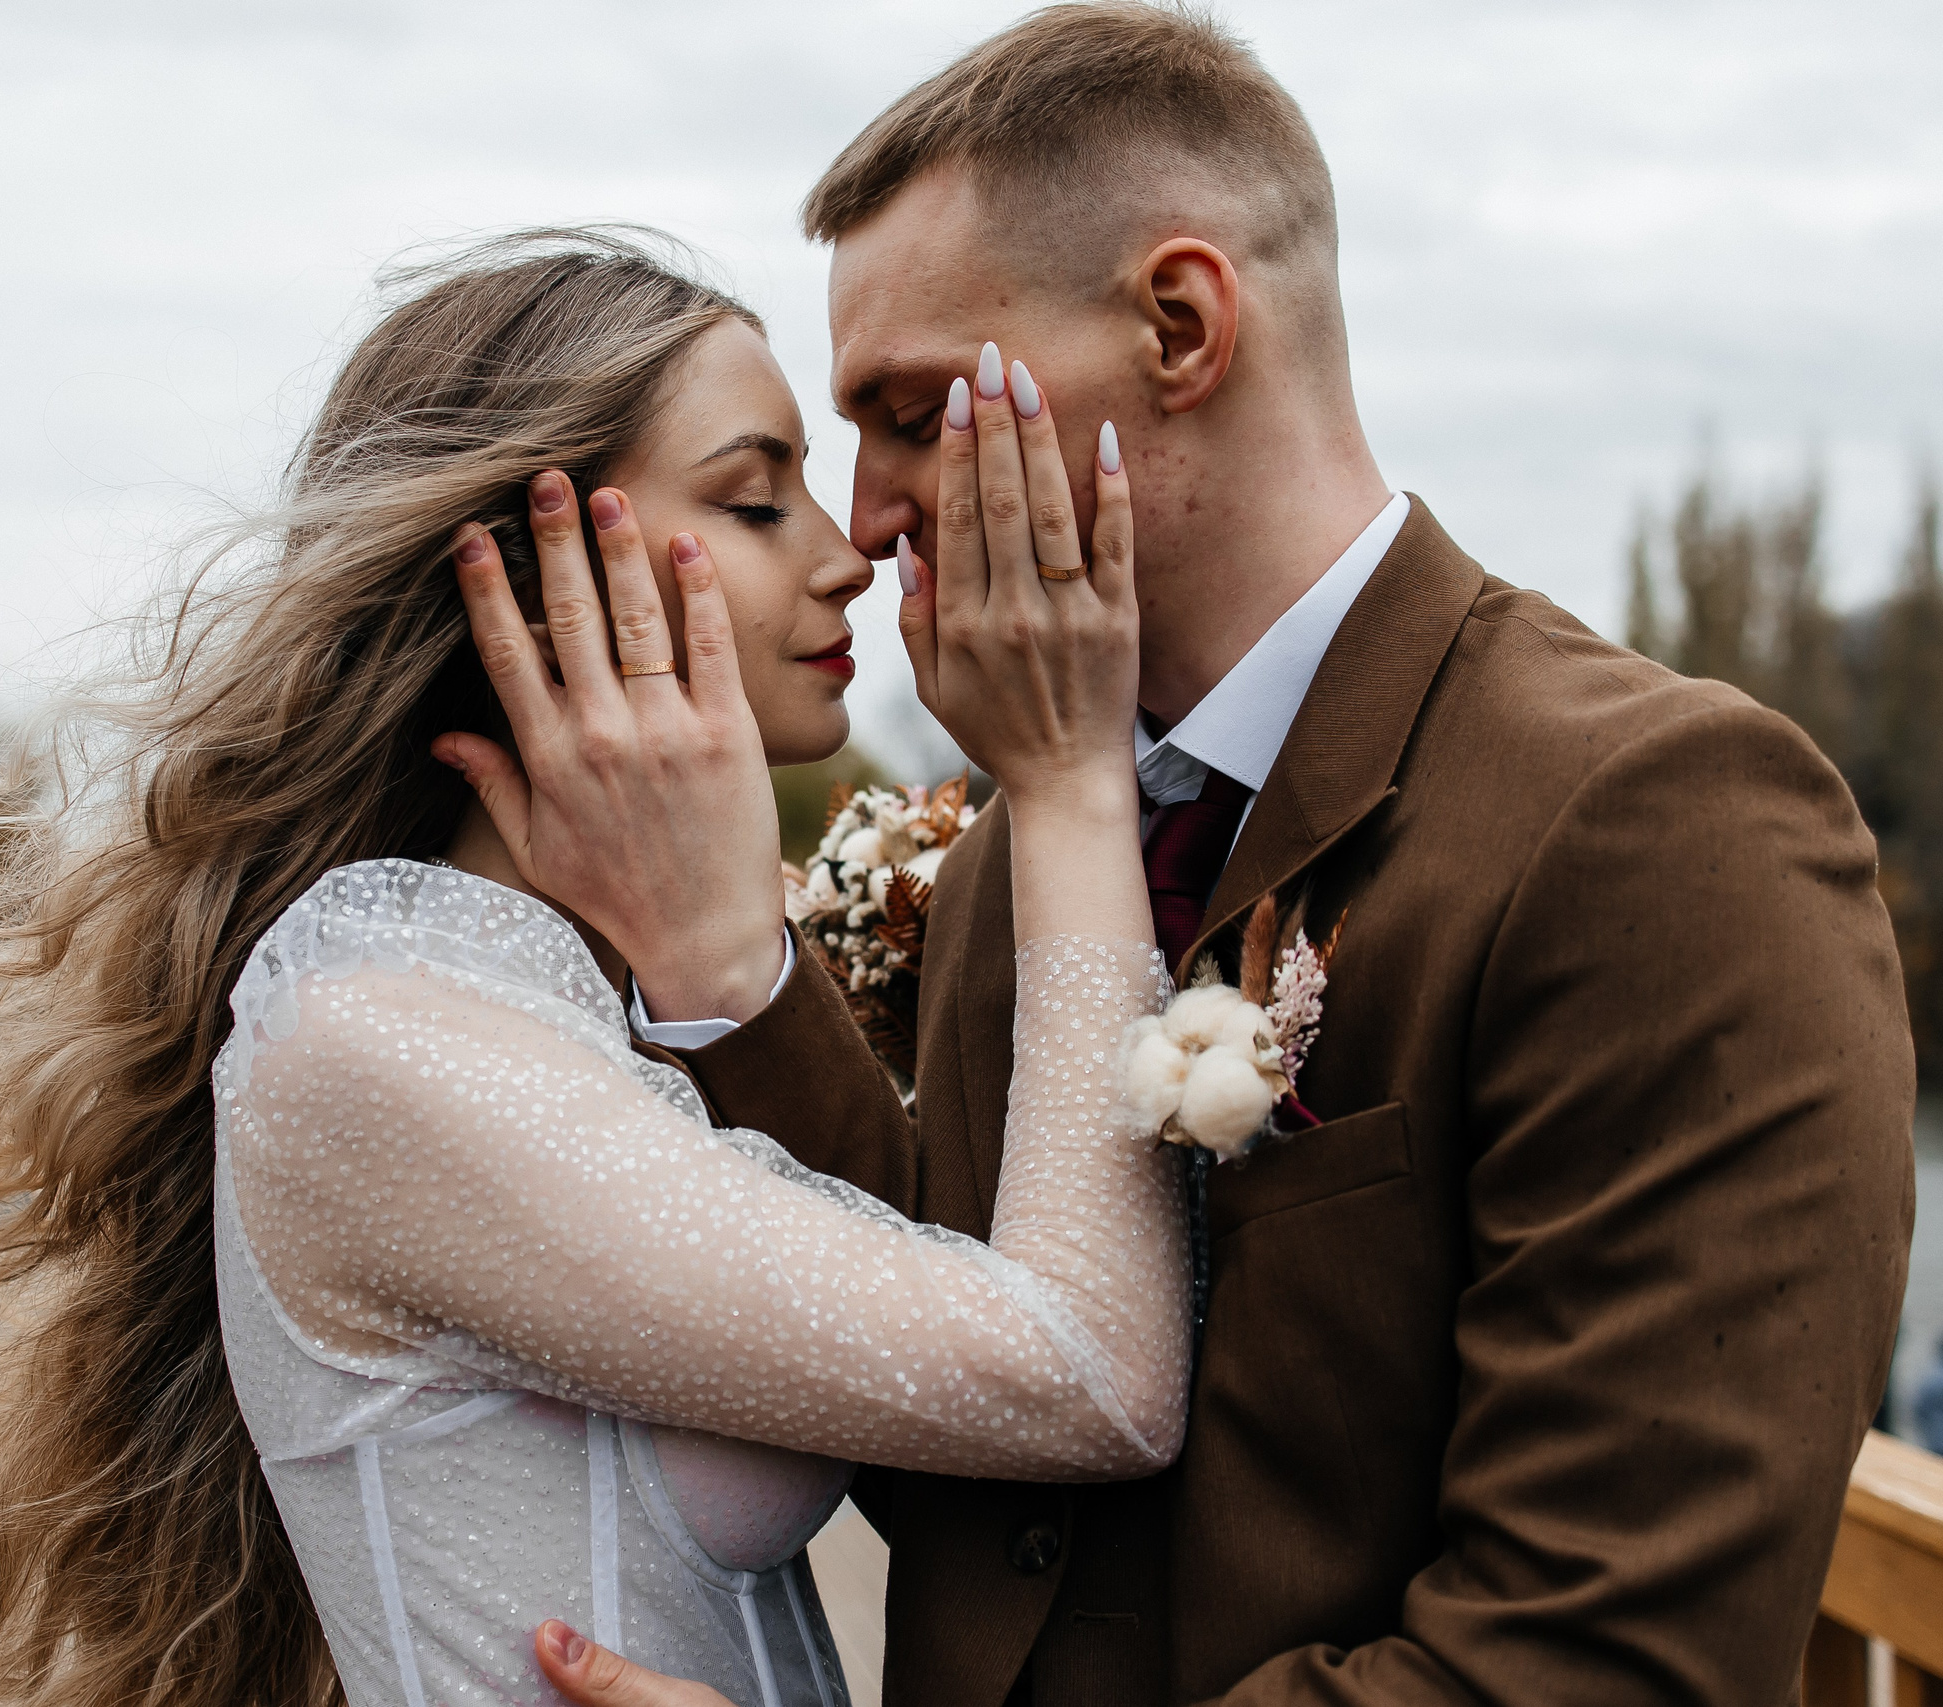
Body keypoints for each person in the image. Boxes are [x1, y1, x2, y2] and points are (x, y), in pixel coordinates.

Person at [474, 8, 1918, 1706]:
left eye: (919, 410)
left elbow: (1595, 1664)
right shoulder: (1036, 842)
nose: (869, 513)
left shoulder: (1656, 827)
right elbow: (967, 1410)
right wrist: (723, 967)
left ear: (1181, 324)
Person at [0, 230, 1190, 1707]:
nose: (841, 555)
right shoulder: (382, 1049)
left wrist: (720, 963)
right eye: (757, 500)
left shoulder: (533, 999)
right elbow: (1089, 1375)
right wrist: (1066, 784)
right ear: (539, 571)